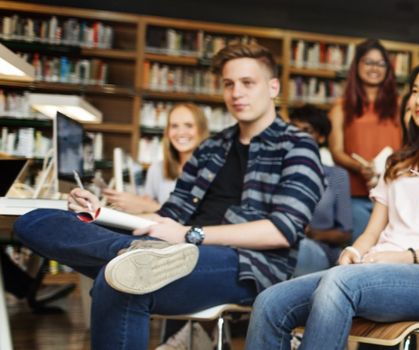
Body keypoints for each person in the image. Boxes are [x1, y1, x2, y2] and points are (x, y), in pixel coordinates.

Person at [13, 43, 325, 349]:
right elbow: (168, 215)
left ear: (272, 87)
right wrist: (101, 214)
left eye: (247, 83)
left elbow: (283, 230)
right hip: (172, 247)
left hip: (246, 264)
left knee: (121, 281)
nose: (236, 93)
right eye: (229, 84)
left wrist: (191, 235)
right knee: (35, 220)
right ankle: (137, 251)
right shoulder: (210, 148)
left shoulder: (298, 146)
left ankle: (141, 254)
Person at [247, 59, 419, 350]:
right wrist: (354, 250)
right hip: (374, 266)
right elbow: (372, 231)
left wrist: (407, 257)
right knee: (269, 303)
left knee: (338, 284)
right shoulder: (398, 163)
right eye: (414, 91)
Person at [327, 39, 403, 240]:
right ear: (357, 65)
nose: (374, 68)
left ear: (388, 68)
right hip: (356, 196)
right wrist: (360, 167)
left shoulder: (401, 106)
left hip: (395, 195)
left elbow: (411, 146)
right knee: (360, 256)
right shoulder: (341, 107)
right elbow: (336, 151)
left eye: (381, 63)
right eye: (368, 62)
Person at [104, 103, 210, 215]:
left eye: (188, 125)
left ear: (201, 130)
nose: (180, 132)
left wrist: (148, 206)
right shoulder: (157, 169)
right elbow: (145, 209)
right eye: (174, 126)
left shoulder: (213, 171)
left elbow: (203, 220)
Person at [288, 105, 354, 276]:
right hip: (280, 245)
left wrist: (311, 234)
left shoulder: (337, 176)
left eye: (307, 130)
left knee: (299, 248)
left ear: (322, 137)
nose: (298, 135)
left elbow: (345, 233)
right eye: (293, 129)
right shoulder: (280, 172)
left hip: (317, 249)